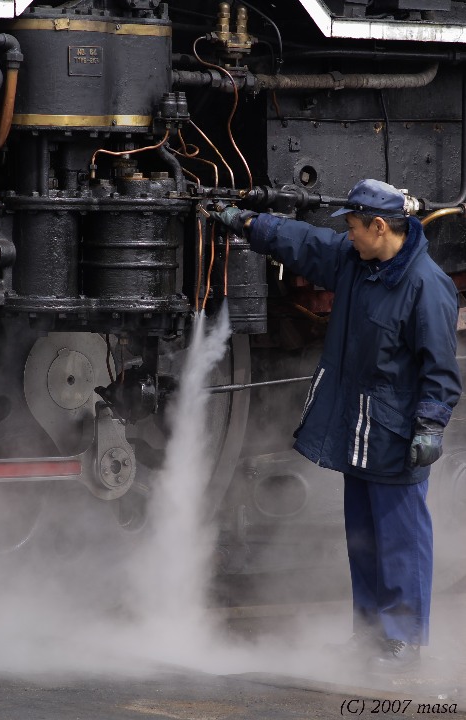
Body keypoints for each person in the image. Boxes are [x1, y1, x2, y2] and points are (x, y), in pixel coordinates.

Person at [210, 179, 462, 673]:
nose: (346, 236)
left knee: (400, 539)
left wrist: (430, 427)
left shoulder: (426, 286)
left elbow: (439, 370)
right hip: (359, 431)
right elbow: (301, 243)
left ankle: (403, 643)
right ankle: (370, 637)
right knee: (364, 539)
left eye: (352, 227)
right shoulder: (356, 262)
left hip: (394, 432)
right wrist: (245, 221)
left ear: (379, 226)